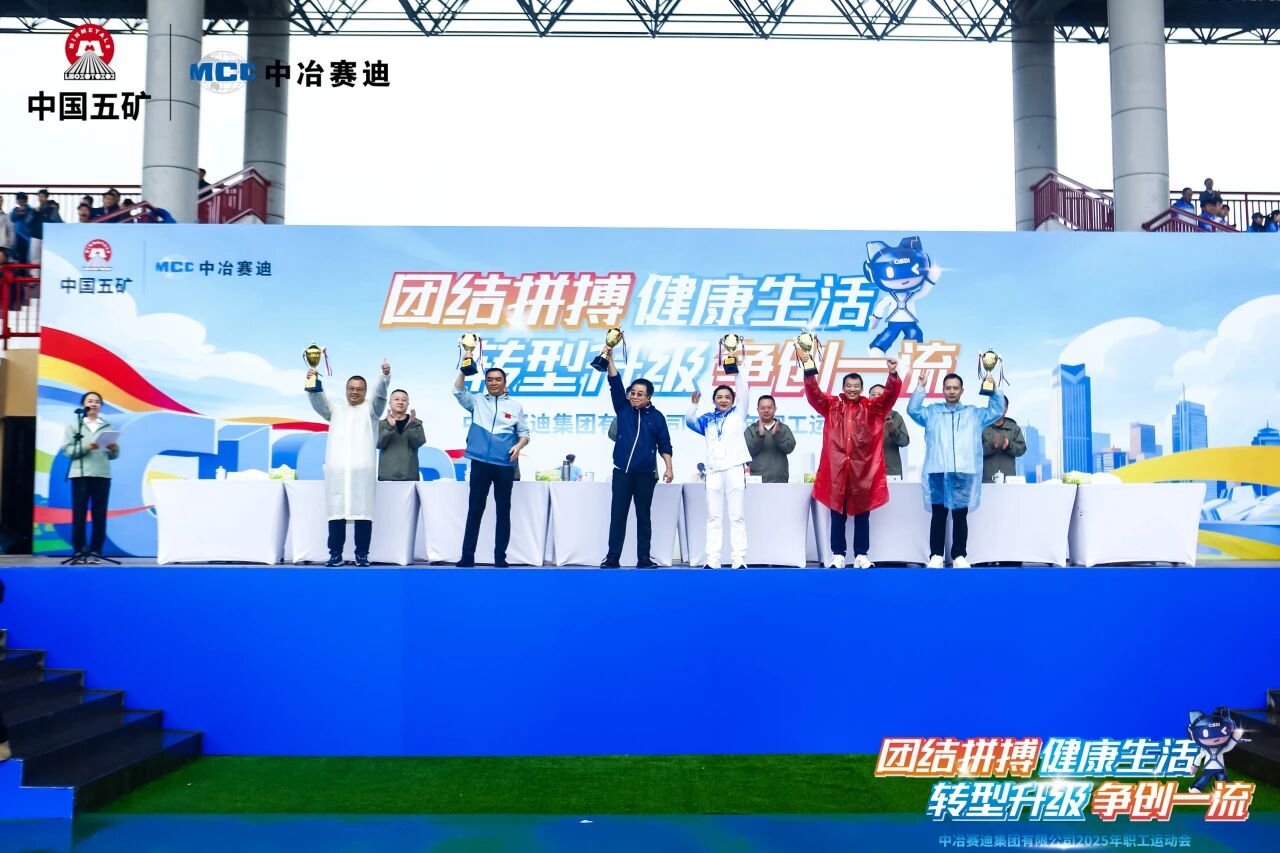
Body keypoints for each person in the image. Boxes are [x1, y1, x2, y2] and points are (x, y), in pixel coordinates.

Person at [806, 358, 901, 569]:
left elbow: (889, 396)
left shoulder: (872, 408)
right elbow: (814, 395)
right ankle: (838, 554)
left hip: (862, 471)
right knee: (837, 514)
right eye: (848, 386)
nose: (852, 389)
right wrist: (808, 372)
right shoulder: (832, 406)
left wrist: (893, 375)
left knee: (862, 514)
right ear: (843, 388)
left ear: (862, 389)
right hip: (837, 469)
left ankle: (861, 554)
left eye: (856, 386)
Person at [908, 373, 1005, 569]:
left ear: (962, 390)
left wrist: (993, 390)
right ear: (943, 390)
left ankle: (959, 555)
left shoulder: (973, 414)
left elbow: (996, 410)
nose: (951, 391)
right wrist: (920, 388)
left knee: (960, 515)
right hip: (937, 469)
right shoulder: (932, 413)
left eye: (955, 388)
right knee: (938, 514)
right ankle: (936, 555)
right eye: (948, 388)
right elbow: (913, 410)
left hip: (963, 471)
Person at [307, 361, 390, 567]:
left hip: (363, 471)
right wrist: (313, 382)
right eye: (351, 388)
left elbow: (380, 397)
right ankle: (335, 554)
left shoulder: (371, 410)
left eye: (359, 389)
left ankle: (362, 554)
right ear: (346, 390)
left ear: (365, 392)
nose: (355, 392)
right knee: (337, 513)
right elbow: (319, 403)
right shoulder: (335, 410)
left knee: (363, 514)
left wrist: (383, 378)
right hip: (337, 469)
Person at [600, 347, 673, 568]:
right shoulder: (623, 408)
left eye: (640, 394)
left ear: (649, 397)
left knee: (643, 516)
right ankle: (612, 557)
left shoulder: (657, 417)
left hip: (645, 475)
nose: (634, 396)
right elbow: (615, 383)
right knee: (618, 515)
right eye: (632, 392)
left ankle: (644, 558)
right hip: (622, 472)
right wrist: (610, 360)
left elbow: (665, 444)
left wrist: (669, 467)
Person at [453, 367, 530, 567]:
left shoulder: (515, 406)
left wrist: (519, 446)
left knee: (503, 511)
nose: (493, 383)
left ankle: (500, 557)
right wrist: (463, 371)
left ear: (505, 383)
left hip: (504, 464)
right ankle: (467, 556)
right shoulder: (477, 401)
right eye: (489, 379)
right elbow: (458, 391)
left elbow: (524, 433)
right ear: (485, 382)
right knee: (474, 510)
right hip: (480, 463)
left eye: (497, 379)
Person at [686, 365, 752, 569]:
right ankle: (712, 559)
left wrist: (737, 371)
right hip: (713, 471)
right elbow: (689, 421)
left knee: (737, 515)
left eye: (727, 397)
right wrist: (694, 404)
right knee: (714, 516)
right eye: (719, 397)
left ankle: (738, 558)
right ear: (714, 400)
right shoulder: (707, 420)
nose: (723, 400)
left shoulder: (739, 414)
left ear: (733, 400)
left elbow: (744, 390)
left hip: (734, 469)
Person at [62, 391, 120, 563]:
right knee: (79, 514)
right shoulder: (75, 425)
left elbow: (113, 456)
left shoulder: (107, 426)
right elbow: (68, 451)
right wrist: (86, 447)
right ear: (83, 405)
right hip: (80, 474)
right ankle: (79, 551)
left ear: (100, 406)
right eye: (90, 401)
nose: (94, 404)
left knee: (99, 514)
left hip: (102, 474)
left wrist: (114, 448)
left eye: (97, 402)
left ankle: (96, 551)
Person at [743, 394, 795, 484]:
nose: (766, 410)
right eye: (762, 408)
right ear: (758, 410)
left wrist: (777, 435)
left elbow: (789, 449)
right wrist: (760, 436)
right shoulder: (751, 430)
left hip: (779, 480)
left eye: (769, 407)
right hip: (757, 480)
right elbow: (746, 451)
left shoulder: (783, 428)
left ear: (775, 409)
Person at [377, 389, 425, 481]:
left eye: (404, 400)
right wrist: (390, 427)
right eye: (396, 399)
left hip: (410, 477)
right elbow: (379, 444)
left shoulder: (416, 423)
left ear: (407, 404)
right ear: (390, 403)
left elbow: (418, 443)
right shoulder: (382, 424)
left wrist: (410, 425)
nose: (400, 402)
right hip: (387, 477)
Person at [981, 395, 1027, 483]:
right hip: (987, 480)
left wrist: (1009, 446)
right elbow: (975, 452)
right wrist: (992, 446)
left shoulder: (1014, 428)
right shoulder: (982, 427)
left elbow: (1022, 449)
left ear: (1006, 409)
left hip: (1009, 480)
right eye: (994, 405)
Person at [868, 383, 910, 478]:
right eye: (873, 394)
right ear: (868, 397)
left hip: (890, 471)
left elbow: (904, 442)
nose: (876, 397)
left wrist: (893, 430)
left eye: (880, 395)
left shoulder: (895, 417)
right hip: (867, 471)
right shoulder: (862, 416)